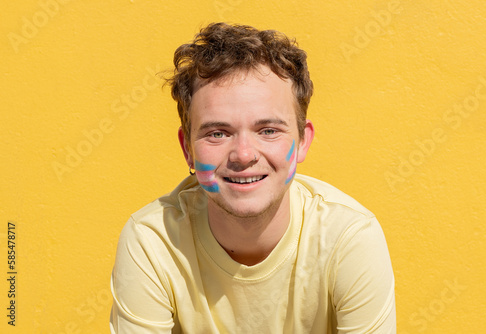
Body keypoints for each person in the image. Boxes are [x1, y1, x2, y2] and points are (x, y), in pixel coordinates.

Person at [110, 22, 396, 333]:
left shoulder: (349, 237)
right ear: (188, 149)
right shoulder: (152, 241)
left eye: (268, 131)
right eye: (217, 133)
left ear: (302, 141)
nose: (244, 155)